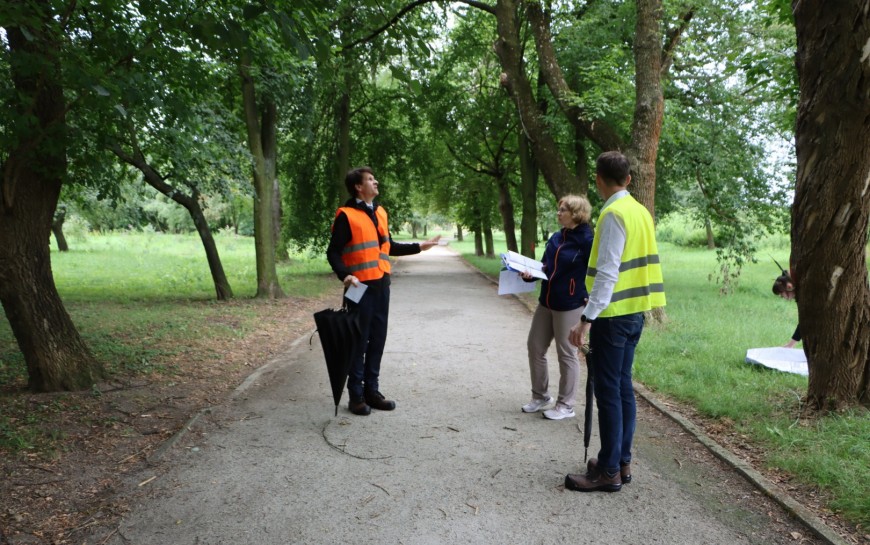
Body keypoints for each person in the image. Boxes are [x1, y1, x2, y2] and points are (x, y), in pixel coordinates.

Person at [565, 151, 666, 492]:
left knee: (608, 393)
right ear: (629, 179)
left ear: (598, 179)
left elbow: (608, 273)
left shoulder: (612, 215)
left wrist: (585, 320)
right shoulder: (639, 211)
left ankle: (608, 470)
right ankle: (621, 462)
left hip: (612, 317)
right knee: (623, 389)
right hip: (635, 313)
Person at [326, 166, 440, 416]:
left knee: (377, 339)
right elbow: (333, 251)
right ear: (358, 186)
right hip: (358, 288)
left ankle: (372, 392)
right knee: (358, 341)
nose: (376, 182)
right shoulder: (346, 215)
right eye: (370, 179)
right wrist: (345, 275)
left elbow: (387, 247)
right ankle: (355, 396)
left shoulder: (380, 212)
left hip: (381, 286)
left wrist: (419, 247)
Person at [520, 195, 594, 420]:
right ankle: (541, 396)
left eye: (563, 210)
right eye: (558, 209)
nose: (558, 213)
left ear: (576, 214)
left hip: (570, 305)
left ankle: (566, 405)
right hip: (547, 302)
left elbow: (596, 274)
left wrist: (588, 305)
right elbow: (545, 266)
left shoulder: (588, 240)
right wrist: (530, 274)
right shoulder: (556, 237)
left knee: (567, 353)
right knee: (535, 346)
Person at [772, 271, 801, 348]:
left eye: (781, 294)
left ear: (789, 287)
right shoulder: (799, 296)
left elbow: (804, 323)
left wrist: (790, 345)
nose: (782, 297)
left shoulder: (803, 298)